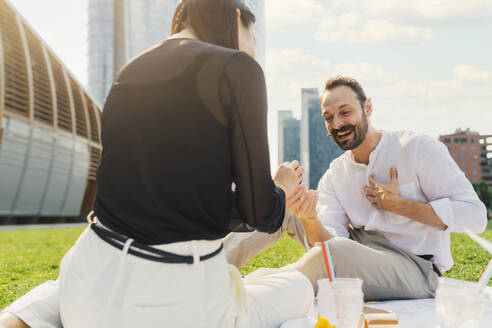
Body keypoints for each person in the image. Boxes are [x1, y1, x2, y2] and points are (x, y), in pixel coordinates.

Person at [0, 1, 319, 327]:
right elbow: (261, 213)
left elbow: (174, 203)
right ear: (237, 17)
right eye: (252, 43)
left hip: (85, 288)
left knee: (67, 289)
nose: (250, 54)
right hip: (177, 305)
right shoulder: (239, 68)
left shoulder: (129, 71)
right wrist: (280, 187)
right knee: (297, 289)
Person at [224, 76, 488, 301]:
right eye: (329, 117)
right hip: (354, 252)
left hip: (416, 268)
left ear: (368, 108)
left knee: (337, 251)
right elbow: (325, 245)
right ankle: (211, 268)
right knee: (280, 205)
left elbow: (475, 217)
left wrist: (403, 206)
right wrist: (308, 217)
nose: (337, 123)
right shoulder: (335, 175)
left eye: (345, 112)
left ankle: (250, 288)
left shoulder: (417, 148)